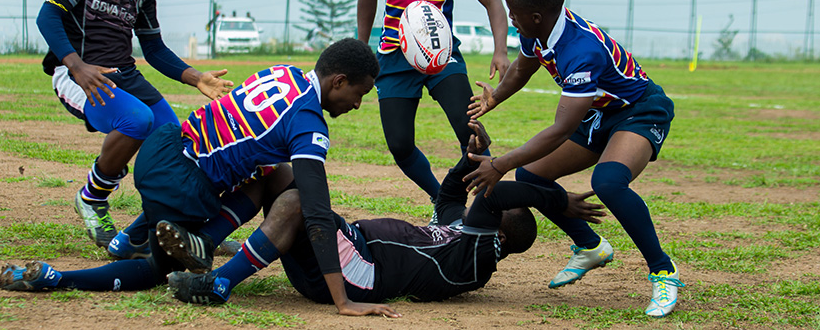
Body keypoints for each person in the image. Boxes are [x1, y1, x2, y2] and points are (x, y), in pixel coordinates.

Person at [0, 38, 397, 318]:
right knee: (155, 269)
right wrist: (342, 300)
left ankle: (145, 238)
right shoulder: (310, 123)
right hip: (181, 185)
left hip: (165, 148)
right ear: (338, 81)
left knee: (273, 171)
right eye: (359, 94)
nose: (358, 105)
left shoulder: (283, 73)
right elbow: (316, 210)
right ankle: (58, 278)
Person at [164, 120, 604, 308]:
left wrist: (556, 200)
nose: (478, 206)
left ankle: (218, 284)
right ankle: (207, 242)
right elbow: (455, 191)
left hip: (360, 272)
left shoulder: (478, 258)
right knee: (280, 173)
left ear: (502, 238)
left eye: (494, 215)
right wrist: (474, 157)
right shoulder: (458, 229)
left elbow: (492, 199)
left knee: (299, 203)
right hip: (344, 251)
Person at [463, 0, 682, 318]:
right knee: (532, 177)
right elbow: (522, 68)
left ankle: (663, 272)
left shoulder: (581, 50)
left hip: (638, 111)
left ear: (535, 16)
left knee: (608, 183)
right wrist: (494, 100)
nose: (511, 20)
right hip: (601, 112)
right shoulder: (540, 30)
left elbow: (561, 129)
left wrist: (500, 164)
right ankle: (590, 246)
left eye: (514, 14)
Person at [35, 0, 233, 255]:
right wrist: (75, 65)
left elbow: (154, 49)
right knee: (137, 120)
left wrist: (195, 77)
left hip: (125, 74)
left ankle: (179, 225)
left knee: (176, 140)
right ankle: (92, 198)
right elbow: (47, 15)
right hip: (80, 74)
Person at [356, 0, 511, 201]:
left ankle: (482, 205)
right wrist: (361, 47)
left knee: (472, 134)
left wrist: (500, 49)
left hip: (442, 57)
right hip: (394, 56)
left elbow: (493, 1)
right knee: (399, 145)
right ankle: (441, 199)